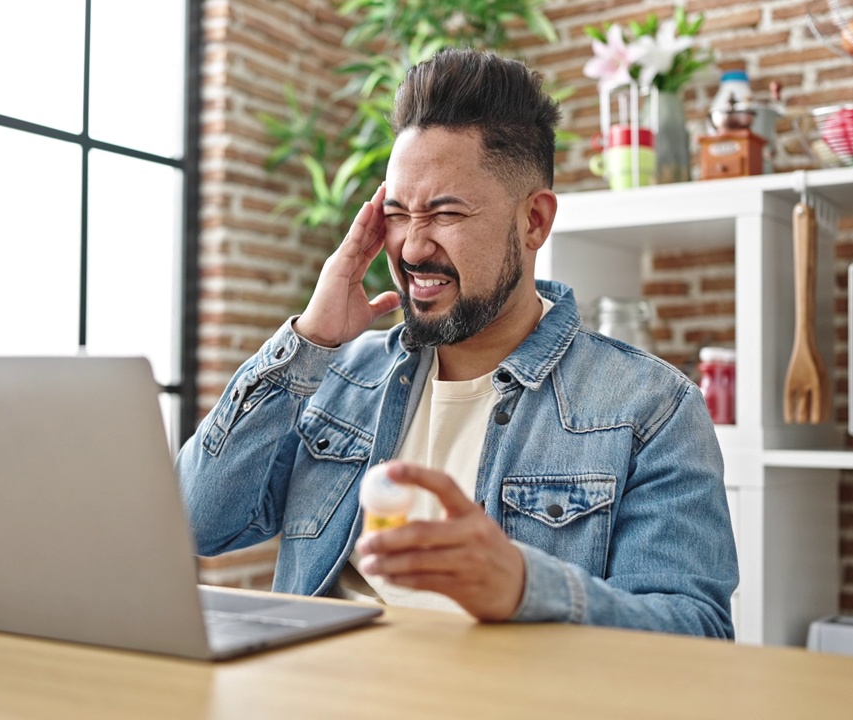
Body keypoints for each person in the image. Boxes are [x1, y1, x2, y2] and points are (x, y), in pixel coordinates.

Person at [176, 48, 738, 637]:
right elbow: (193, 524)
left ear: (534, 223)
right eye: (396, 213)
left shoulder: (651, 407)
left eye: (444, 213)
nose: (413, 248)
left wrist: (525, 586)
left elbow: (696, 631)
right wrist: (310, 340)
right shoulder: (339, 377)